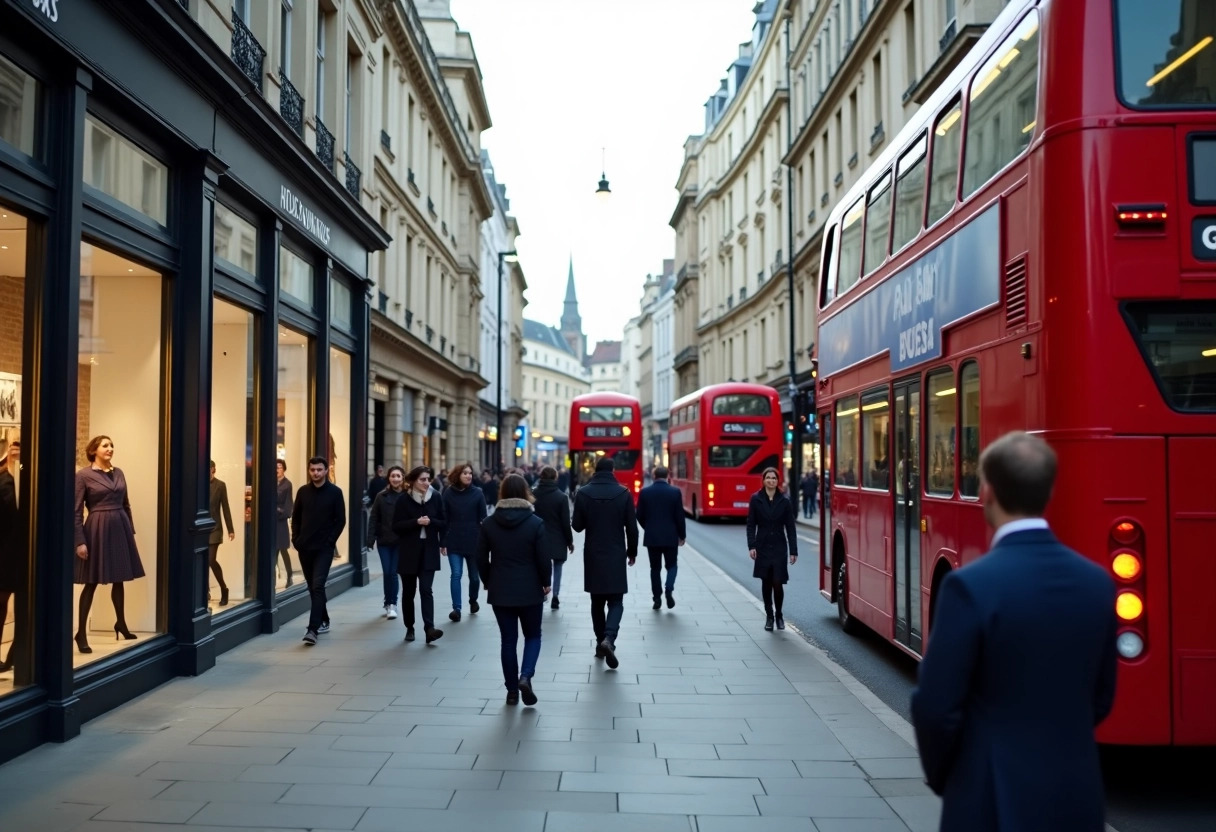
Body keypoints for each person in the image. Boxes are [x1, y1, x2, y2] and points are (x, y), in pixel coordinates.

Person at [911, 432, 1118, 832]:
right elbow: (1102, 697)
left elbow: (935, 706)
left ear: (986, 491)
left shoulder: (969, 587)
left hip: (991, 797)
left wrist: (946, 777)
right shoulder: (1097, 583)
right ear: (1049, 492)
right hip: (1076, 796)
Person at [477, 474, 550, 706]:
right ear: (526, 492)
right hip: (530, 588)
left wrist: (488, 580)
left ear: (502, 493)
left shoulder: (488, 523)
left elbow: (480, 557)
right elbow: (542, 557)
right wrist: (546, 581)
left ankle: (511, 691)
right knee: (533, 635)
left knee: (508, 640)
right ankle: (526, 676)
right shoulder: (535, 522)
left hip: (501, 589)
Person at [74, 435, 146, 653]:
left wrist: (130, 531)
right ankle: (81, 633)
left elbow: (126, 504)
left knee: (119, 578)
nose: (110, 448)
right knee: (92, 581)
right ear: (94, 450)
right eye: (105, 445)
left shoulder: (119, 472)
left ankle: (121, 623)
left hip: (120, 527)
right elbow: (75, 511)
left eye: (112, 445)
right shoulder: (83, 476)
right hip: (97, 529)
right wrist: (79, 541)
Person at [571, 456, 638, 669]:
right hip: (616, 553)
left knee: (597, 602)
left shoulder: (583, 492)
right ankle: (609, 638)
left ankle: (600, 642)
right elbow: (632, 528)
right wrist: (632, 551)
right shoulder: (623, 493)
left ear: (595, 470)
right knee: (616, 601)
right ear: (613, 470)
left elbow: (577, 526)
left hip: (593, 554)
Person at [291, 456, 346, 646]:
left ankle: (312, 629)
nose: (316, 473)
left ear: (326, 470)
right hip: (304, 547)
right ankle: (325, 619)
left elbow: (340, 521)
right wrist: (295, 539)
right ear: (309, 471)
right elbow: (296, 516)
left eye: (319, 469)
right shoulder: (303, 492)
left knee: (317, 586)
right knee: (312, 587)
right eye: (312, 469)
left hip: (324, 548)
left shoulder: (335, 492)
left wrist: (330, 542)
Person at [392, 465, 446, 644]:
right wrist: (416, 522)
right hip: (409, 551)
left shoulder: (436, 497)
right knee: (408, 592)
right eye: (422, 479)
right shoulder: (403, 500)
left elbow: (443, 522)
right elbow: (396, 526)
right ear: (413, 481)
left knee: (426, 589)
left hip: (429, 550)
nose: (426, 482)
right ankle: (409, 626)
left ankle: (429, 628)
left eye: (428, 479)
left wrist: (433, 525)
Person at [746, 466, 798, 632]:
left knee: (777, 582)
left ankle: (779, 615)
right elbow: (750, 524)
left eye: (774, 478)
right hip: (762, 546)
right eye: (768, 478)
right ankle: (769, 616)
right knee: (766, 582)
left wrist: (793, 551)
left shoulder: (785, 500)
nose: (771, 481)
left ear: (778, 481)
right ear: (763, 480)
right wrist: (752, 545)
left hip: (779, 547)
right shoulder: (756, 499)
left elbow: (790, 527)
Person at [636, 465, 686, 610]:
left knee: (655, 569)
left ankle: (657, 598)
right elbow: (679, 516)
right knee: (672, 565)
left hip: (652, 538)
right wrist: (681, 535)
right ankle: (669, 589)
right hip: (670, 537)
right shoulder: (675, 492)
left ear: (653, 476)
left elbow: (639, 515)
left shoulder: (645, 492)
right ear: (667, 476)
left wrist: (649, 527)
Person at [441, 462, 486, 622]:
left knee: (474, 577)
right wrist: (443, 541)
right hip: (454, 540)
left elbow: (483, 518)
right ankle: (457, 609)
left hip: (474, 541)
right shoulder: (448, 493)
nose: (468, 475)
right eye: (465, 473)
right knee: (456, 574)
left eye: (470, 473)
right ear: (457, 475)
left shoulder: (478, 493)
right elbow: (444, 519)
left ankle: (473, 600)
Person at [367, 465, 406, 620]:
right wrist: (370, 539)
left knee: (393, 573)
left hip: (400, 541)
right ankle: (387, 601)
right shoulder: (380, 496)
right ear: (388, 478)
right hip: (384, 541)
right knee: (387, 572)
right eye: (392, 476)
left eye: (398, 476)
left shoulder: (407, 496)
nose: (395, 478)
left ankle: (392, 604)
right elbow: (374, 518)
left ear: (403, 478)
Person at [532, 466, 573, 610]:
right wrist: (569, 541)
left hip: (537, 536)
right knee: (558, 566)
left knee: (539, 566)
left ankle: (541, 592)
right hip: (557, 537)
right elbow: (565, 522)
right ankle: (555, 595)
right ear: (555, 478)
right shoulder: (561, 497)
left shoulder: (533, 495)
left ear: (541, 476)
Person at [0, 439, 22, 673]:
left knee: (29, 604)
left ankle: (16, 653)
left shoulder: (32, 482)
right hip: (6, 550)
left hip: (25, 550)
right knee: (1, 601)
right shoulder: (4, 482)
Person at [208, 461, 235, 607]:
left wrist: (230, 529)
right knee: (201, 562)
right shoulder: (199, 485)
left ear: (213, 469)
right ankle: (204, 591)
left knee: (211, 560)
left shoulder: (220, 485)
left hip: (215, 528)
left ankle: (224, 589)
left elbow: (225, 507)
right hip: (201, 529)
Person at [275, 459, 294, 587]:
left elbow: (289, 504)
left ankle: (289, 575)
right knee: (273, 551)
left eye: (280, 467)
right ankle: (271, 579)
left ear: (284, 469)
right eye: (276, 467)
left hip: (280, 521)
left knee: (283, 549)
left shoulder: (287, 484)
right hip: (271, 521)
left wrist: (281, 512)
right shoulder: (271, 483)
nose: (277, 469)